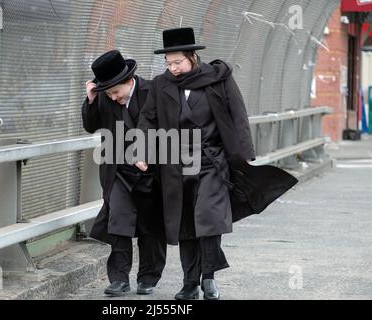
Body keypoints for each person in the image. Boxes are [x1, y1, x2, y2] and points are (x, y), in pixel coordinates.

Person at [136, 27, 297, 300]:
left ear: (193, 58)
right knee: (185, 223)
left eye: (178, 62)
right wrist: (141, 151)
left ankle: (208, 278)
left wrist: (244, 153)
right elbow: (147, 120)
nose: (172, 68)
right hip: (175, 165)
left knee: (209, 219)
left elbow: (238, 114)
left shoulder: (217, 79)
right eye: (168, 63)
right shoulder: (160, 85)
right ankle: (190, 283)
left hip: (212, 161)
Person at [82, 50, 167, 297]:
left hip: (150, 170)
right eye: (108, 93)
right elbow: (90, 126)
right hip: (118, 170)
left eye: (116, 92)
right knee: (118, 220)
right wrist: (90, 100)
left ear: (130, 80)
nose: (113, 97)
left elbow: (170, 127)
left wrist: (150, 155)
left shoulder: (154, 92)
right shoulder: (105, 97)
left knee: (150, 225)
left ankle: (148, 277)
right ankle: (119, 279)